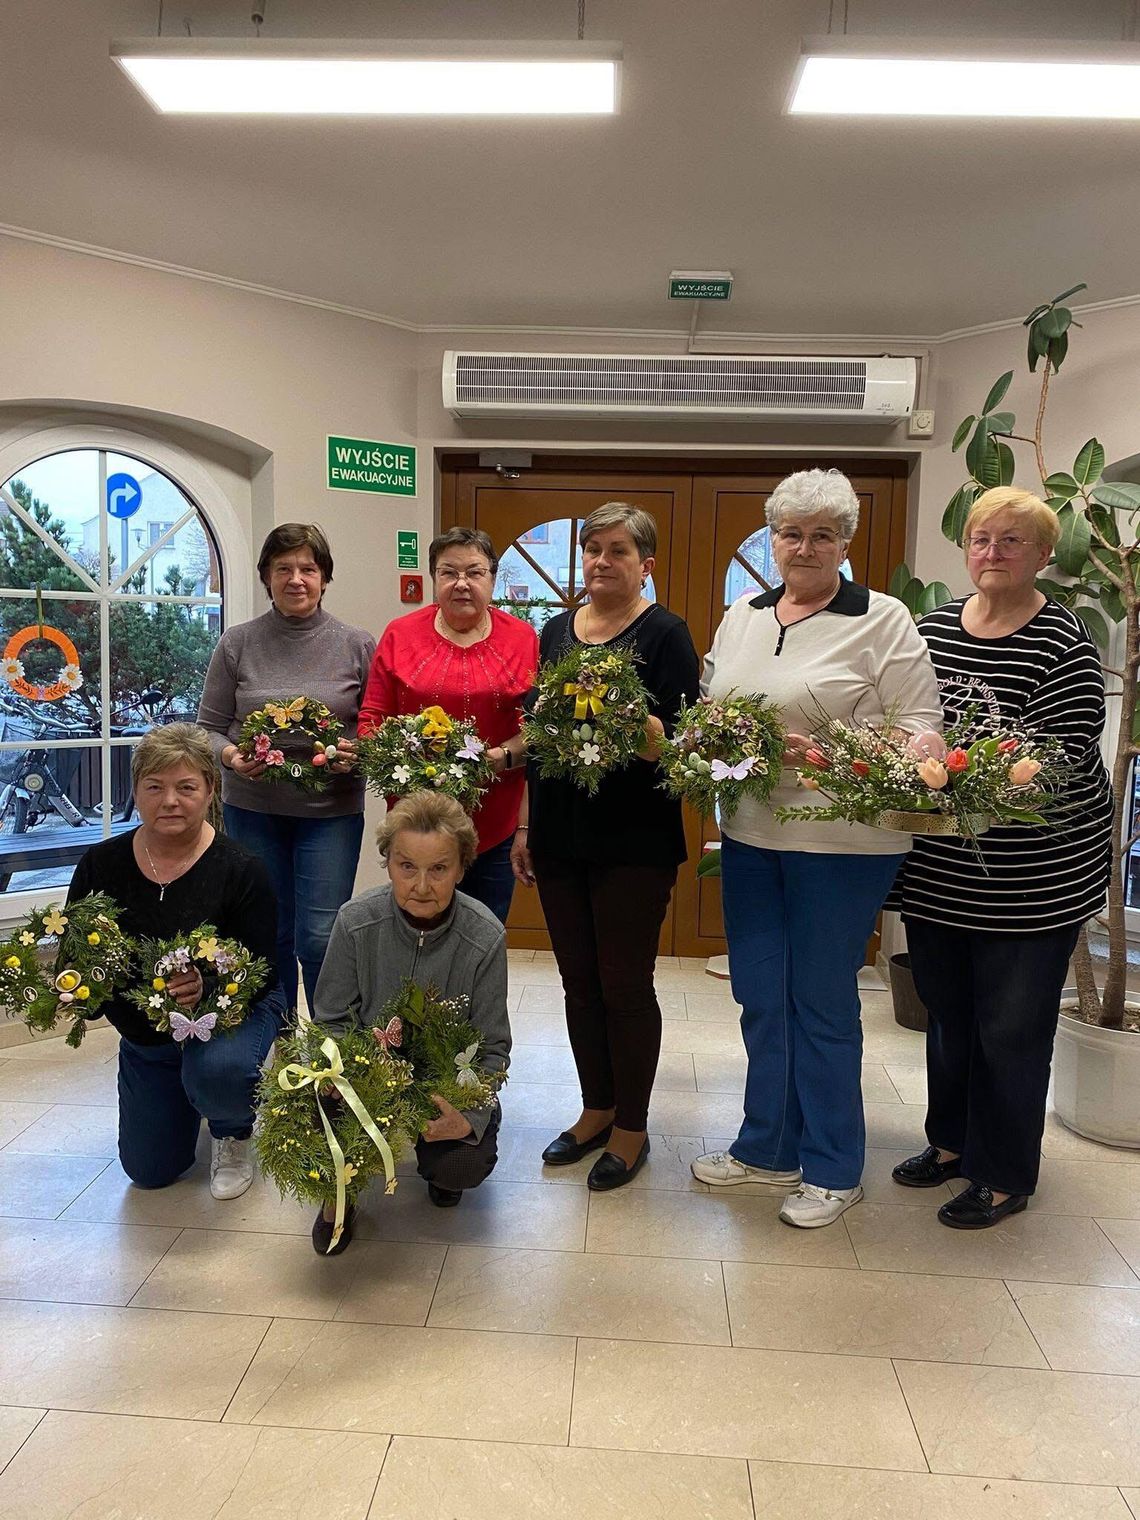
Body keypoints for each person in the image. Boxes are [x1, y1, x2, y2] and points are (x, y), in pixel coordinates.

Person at [689, 468, 942, 1227]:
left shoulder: (884, 618)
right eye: (791, 533)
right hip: (749, 833)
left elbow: (918, 733)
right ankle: (768, 1147)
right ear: (773, 540)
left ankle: (834, 1165)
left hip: (842, 844)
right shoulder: (745, 611)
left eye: (822, 534)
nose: (804, 547)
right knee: (760, 996)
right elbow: (711, 703)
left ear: (845, 543)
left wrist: (826, 755)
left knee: (821, 1002)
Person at [892, 486, 1113, 1229]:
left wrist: (952, 774)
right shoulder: (928, 629)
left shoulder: (1065, 643)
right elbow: (901, 722)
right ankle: (951, 1143)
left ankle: (1004, 1171)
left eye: (1012, 542)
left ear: (1046, 556)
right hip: (942, 872)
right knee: (950, 1016)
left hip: (1032, 877)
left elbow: (1052, 759)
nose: (992, 553)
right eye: (982, 539)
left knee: (1012, 1030)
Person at [512, 503, 701, 1191]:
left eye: (617, 550)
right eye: (591, 549)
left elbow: (684, 749)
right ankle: (596, 1108)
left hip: (633, 841)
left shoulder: (666, 634)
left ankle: (632, 1126)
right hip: (561, 834)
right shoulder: (556, 631)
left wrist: (631, 721)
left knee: (624, 986)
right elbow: (538, 734)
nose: (600, 561)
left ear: (644, 563)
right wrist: (528, 825)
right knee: (578, 984)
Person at [68, 724, 285, 1199]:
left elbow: (265, 970)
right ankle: (170, 1080)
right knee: (150, 1172)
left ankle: (232, 1129)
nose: (170, 800)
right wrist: (74, 991)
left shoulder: (242, 868)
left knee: (217, 1070)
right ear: (135, 793)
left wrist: (208, 985)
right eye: (155, 787)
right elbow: (77, 955)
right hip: (148, 1032)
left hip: (235, 1013)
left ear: (210, 791)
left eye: (186, 787)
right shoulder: (100, 865)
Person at [311, 790, 511, 1255]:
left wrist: (471, 1114)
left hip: (443, 1082)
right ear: (388, 864)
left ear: (462, 869)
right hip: (367, 1075)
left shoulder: (485, 937)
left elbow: (493, 1046)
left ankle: (442, 1165)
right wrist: (345, 1076)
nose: (422, 885)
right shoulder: (355, 922)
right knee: (318, 1106)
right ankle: (338, 1194)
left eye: (439, 869)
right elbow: (331, 1019)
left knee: (461, 1164)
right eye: (407, 867)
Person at [197, 523, 375, 1013]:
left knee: (319, 937)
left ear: (324, 577)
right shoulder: (237, 643)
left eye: (308, 569)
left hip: (331, 813)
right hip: (254, 811)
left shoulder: (357, 644)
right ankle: (272, 1040)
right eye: (284, 569)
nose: (296, 579)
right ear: (266, 577)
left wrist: (353, 750)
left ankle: (328, 1048)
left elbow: (377, 726)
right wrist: (232, 757)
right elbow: (208, 728)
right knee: (267, 933)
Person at [358, 527, 537, 925]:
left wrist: (500, 759)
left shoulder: (523, 638)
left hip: (495, 825)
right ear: (433, 579)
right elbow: (372, 720)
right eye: (448, 572)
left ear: (492, 577)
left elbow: (538, 732)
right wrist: (404, 768)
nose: (461, 583)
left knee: (482, 939)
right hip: (416, 826)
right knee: (415, 936)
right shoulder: (399, 634)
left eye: (474, 572)